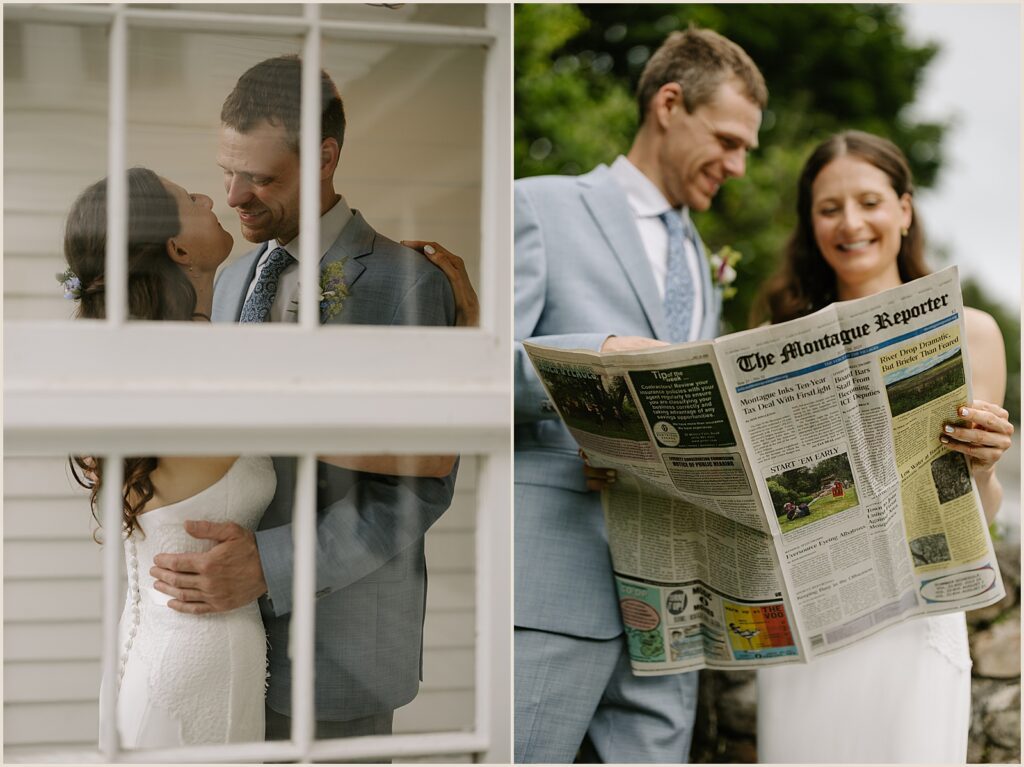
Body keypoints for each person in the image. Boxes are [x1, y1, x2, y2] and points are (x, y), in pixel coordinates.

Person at [138, 55, 483, 746]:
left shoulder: (407, 283)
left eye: (260, 177)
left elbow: (422, 484)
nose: (234, 196)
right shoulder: (230, 279)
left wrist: (272, 565)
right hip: (218, 641)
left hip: (340, 652)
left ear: (325, 157)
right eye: (225, 172)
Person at [63, 168, 465, 747]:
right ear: (177, 249)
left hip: (153, 643)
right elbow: (426, 458)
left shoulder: (138, 360)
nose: (214, 196)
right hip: (201, 660)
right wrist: (467, 337)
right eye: (191, 198)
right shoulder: (215, 375)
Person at [514, 28, 766, 763]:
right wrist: (602, 365)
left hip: (670, 607)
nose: (739, 165)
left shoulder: (701, 256)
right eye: (727, 139)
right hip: (556, 586)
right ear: (668, 104)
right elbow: (479, 375)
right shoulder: (540, 207)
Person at [753, 130, 1013, 764]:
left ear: (904, 209)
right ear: (810, 222)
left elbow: (981, 513)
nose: (851, 223)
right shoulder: (768, 339)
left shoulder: (971, 333)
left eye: (869, 201)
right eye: (829, 208)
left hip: (915, 621)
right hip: (812, 629)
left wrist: (983, 466)